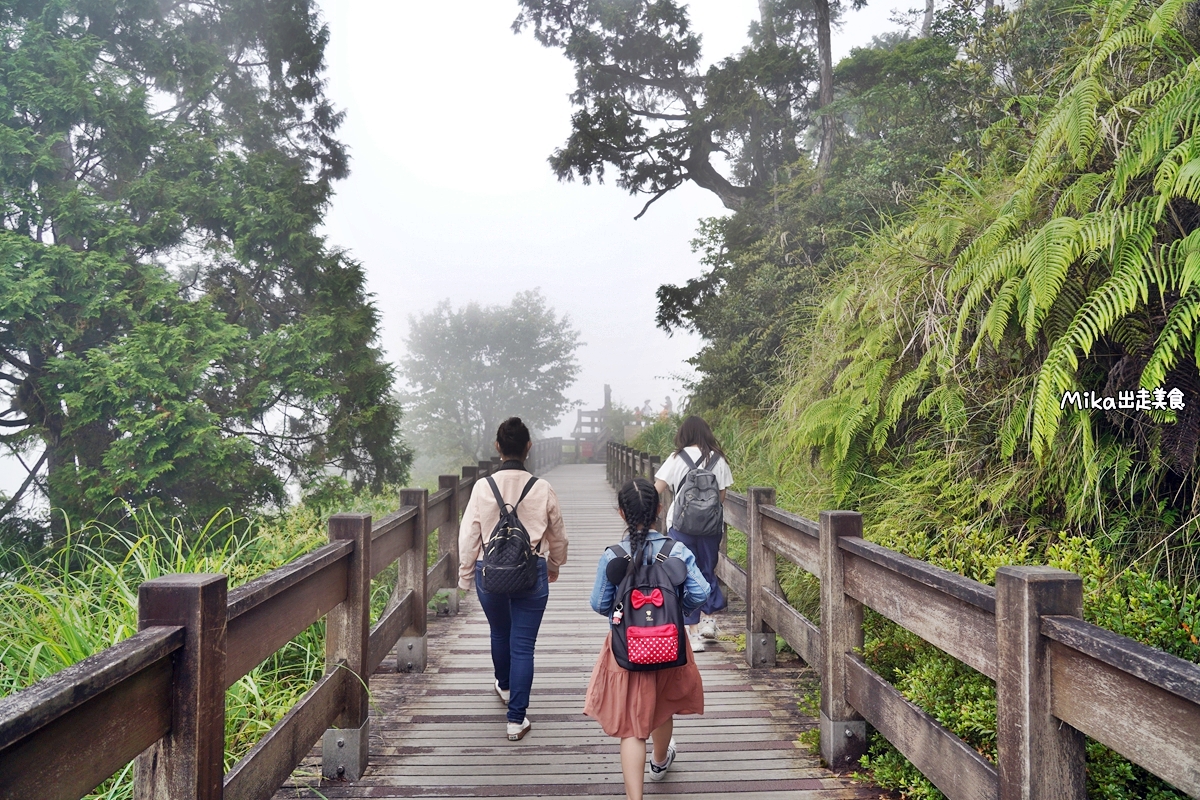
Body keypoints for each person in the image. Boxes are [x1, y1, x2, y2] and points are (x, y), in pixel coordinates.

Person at [584, 478, 709, 800]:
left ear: (621, 513)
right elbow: (700, 592)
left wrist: (626, 614)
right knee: (662, 705)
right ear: (659, 509)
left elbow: (600, 603)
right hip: (669, 642)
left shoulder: (613, 555)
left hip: (626, 647)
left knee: (631, 726)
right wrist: (675, 611)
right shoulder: (676, 550)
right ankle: (659, 760)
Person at [458, 417, 569, 740]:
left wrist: (466, 577)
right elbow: (558, 534)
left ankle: (504, 685)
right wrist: (556, 564)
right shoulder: (542, 487)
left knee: (499, 631)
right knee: (523, 645)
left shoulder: (482, 487)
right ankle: (515, 719)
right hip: (531, 570)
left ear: (498, 447)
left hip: (488, 571)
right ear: (528, 447)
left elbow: (469, 536)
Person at [653, 415, 734, 653]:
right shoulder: (718, 459)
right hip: (710, 529)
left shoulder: (676, 458)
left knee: (684, 574)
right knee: (707, 570)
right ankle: (709, 619)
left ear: (684, 434)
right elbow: (720, 498)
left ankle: (693, 633)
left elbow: (656, 489)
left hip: (680, 527)